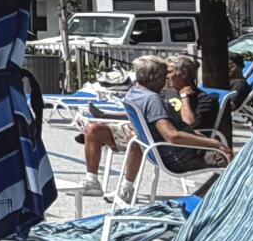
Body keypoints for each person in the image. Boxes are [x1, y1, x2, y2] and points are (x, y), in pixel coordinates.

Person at [79, 55, 228, 193]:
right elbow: (171, 135)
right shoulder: (155, 98)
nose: (167, 77)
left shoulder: (138, 93)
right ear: (155, 77)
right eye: (165, 74)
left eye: (169, 72)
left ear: (183, 73)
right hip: (166, 148)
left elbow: (187, 124)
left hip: (160, 145)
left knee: (135, 137)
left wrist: (184, 98)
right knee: (94, 129)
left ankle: (126, 187)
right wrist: (215, 143)